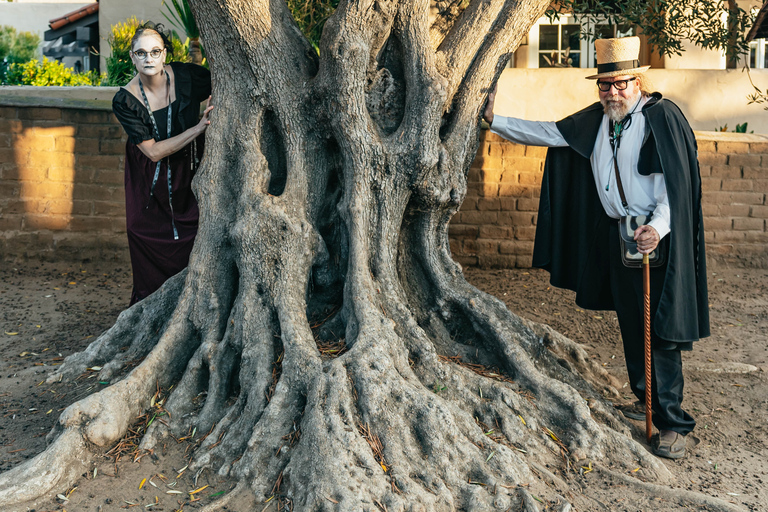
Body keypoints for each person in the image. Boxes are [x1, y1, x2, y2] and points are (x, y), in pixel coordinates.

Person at [484, 37, 709, 459]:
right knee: (631, 322)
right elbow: (549, 133)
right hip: (617, 236)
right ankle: (645, 400)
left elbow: (674, 193)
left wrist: (657, 229)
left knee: (658, 330)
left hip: (654, 240)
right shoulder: (599, 120)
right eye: (605, 85)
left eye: (620, 83)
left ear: (637, 81)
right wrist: (494, 119)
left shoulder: (661, 119)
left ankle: (674, 424)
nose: (612, 92)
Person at [112, 22, 213, 305]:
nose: (149, 59)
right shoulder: (125, 100)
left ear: (165, 54)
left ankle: (194, 303)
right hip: (149, 175)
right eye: (141, 53)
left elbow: (226, 81)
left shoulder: (186, 76)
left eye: (155, 52)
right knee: (143, 232)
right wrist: (198, 128)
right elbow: (153, 153)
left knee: (196, 229)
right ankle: (153, 306)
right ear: (132, 57)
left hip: (190, 166)